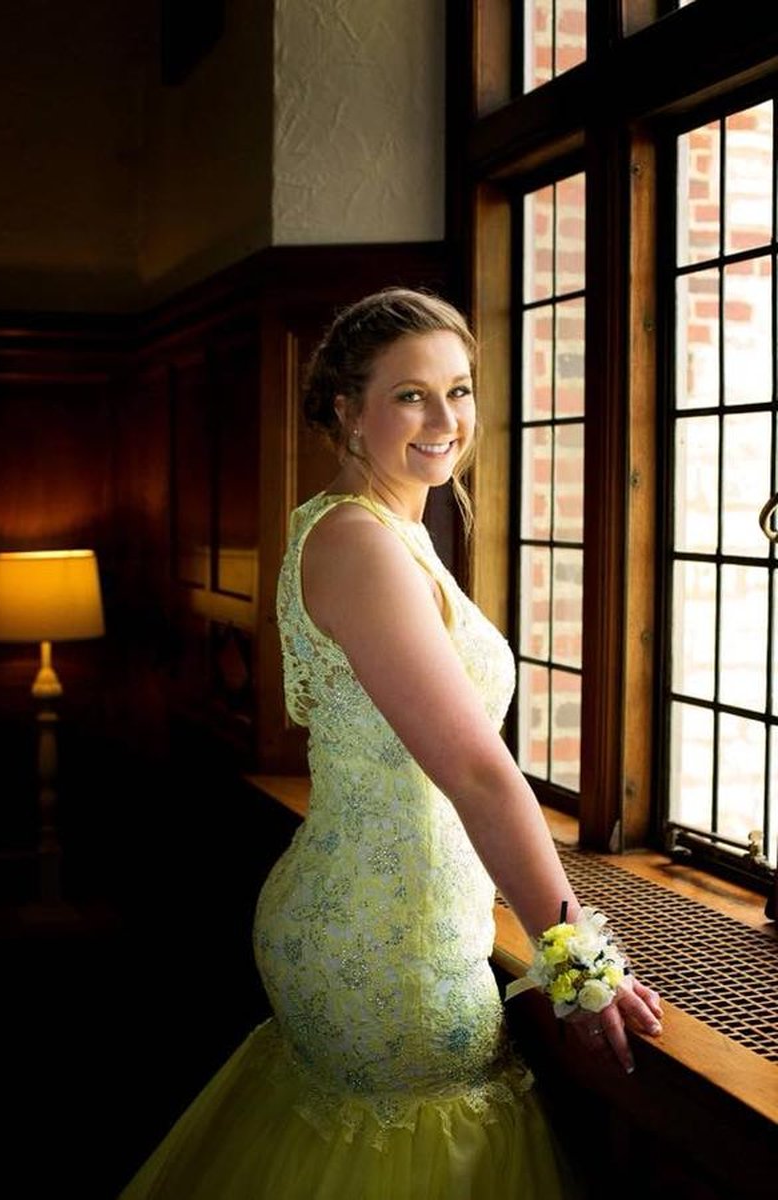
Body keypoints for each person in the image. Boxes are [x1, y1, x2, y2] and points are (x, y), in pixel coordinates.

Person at [119, 287, 663, 1198]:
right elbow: (478, 772)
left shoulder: (393, 528)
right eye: (411, 395)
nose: (445, 420)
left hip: (389, 919)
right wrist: (576, 965)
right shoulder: (357, 542)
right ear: (347, 409)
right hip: (385, 950)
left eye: (459, 390)